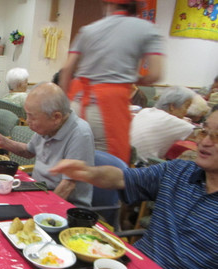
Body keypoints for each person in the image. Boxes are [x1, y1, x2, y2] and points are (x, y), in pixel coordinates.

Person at [51, 107, 218, 269]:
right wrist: (89, 173)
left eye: (217, 137)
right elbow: (122, 178)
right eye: (204, 132)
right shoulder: (178, 171)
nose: (205, 142)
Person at [59, 0, 164, 164]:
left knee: (71, 161)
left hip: (77, 102)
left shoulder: (88, 30)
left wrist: (66, 105)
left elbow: (66, 69)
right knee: (105, 168)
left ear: (108, 4)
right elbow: (155, 74)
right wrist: (128, 79)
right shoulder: (147, 29)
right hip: (108, 106)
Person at [0, 82, 95, 206]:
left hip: (64, 204)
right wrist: (4, 142)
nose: (27, 121)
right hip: (38, 190)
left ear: (56, 117)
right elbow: (28, 151)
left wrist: (43, 210)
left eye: (32, 117)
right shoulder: (48, 127)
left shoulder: (80, 133)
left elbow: (67, 186)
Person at [130, 86, 196, 162]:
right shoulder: (173, 121)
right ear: (172, 106)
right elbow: (201, 135)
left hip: (126, 160)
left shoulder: (146, 111)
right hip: (142, 166)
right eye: (186, 106)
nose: (186, 112)